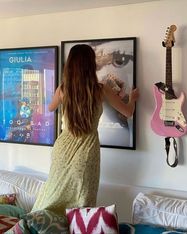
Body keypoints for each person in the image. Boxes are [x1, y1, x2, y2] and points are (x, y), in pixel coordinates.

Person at [31, 44, 139, 215]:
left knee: (53, 193)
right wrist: (132, 99)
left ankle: (38, 222)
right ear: (90, 64)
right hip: (87, 152)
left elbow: (51, 108)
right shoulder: (101, 89)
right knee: (82, 200)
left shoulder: (64, 89)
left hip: (62, 148)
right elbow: (128, 111)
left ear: (70, 65)